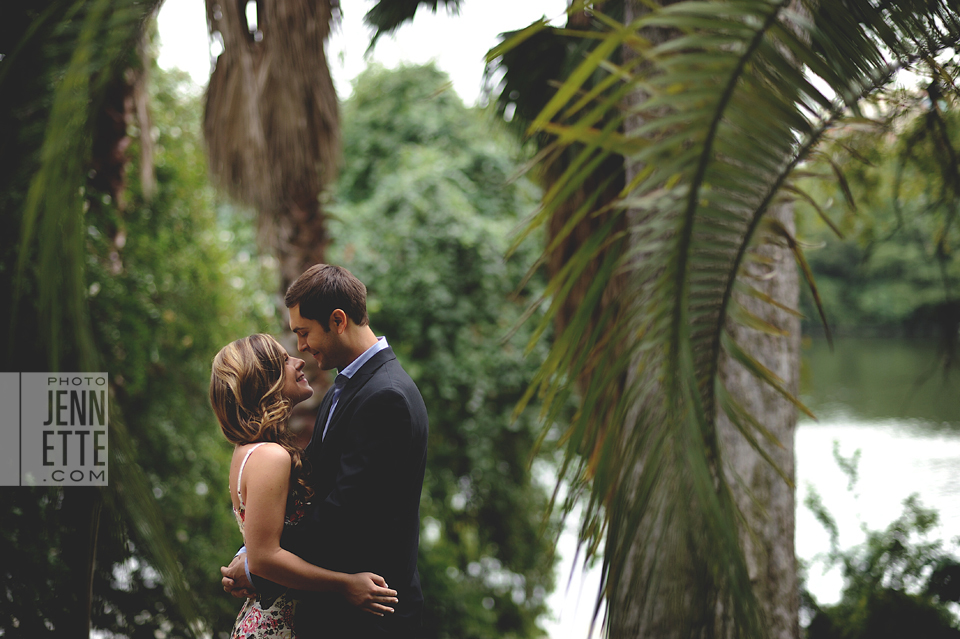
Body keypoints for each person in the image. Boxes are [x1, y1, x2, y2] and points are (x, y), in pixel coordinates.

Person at [221, 265, 429, 638]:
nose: (300, 347)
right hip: (334, 615)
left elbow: (343, 515)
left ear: (337, 320)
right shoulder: (341, 389)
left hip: (370, 619)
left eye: (303, 332)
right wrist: (253, 551)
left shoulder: (386, 397)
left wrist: (257, 564)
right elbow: (313, 493)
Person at [211, 333, 400, 639]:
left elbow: (261, 543)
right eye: (284, 361)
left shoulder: (249, 451)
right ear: (265, 380)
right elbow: (265, 558)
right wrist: (346, 584)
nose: (299, 361)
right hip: (279, 624)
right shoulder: (270, 457)